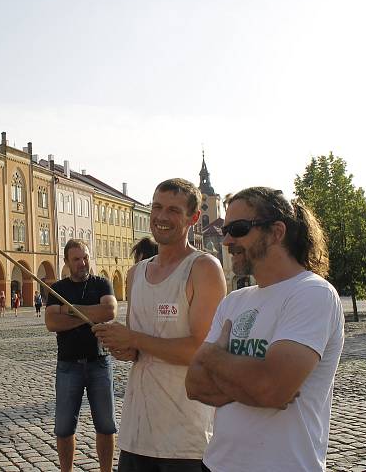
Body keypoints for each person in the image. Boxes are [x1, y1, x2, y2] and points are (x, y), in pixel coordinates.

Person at [184, 187, 344, 472]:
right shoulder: (234, 301)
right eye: (226, 230)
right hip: (216, 464)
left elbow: (271, 388)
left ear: (276, 232)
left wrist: (215, 358)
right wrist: (254, 386)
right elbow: (194, 384)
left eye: (239, 229)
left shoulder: (312, 294)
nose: (228, 239)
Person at [93, 178, 226, 471]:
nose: (162, 217)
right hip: (136, 432)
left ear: (193, 218)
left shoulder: (203, 268)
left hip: (185, 438)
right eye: (156, 207)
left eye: (173, 210)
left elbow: (200, 352)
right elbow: (136, 351)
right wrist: (121, 345)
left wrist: (134, 339)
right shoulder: (137, 273)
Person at [45, 239, 118, 472]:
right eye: (76, 259)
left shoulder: (102, 284)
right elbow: (51, 322)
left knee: (106, 426)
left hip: (99, 362)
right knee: (65, 428)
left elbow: (109, 311)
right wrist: (89, 314)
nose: (82, 263)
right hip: (68, 365)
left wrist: (70, 310)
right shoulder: (58, 289)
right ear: (67, 262)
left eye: (85, 257)